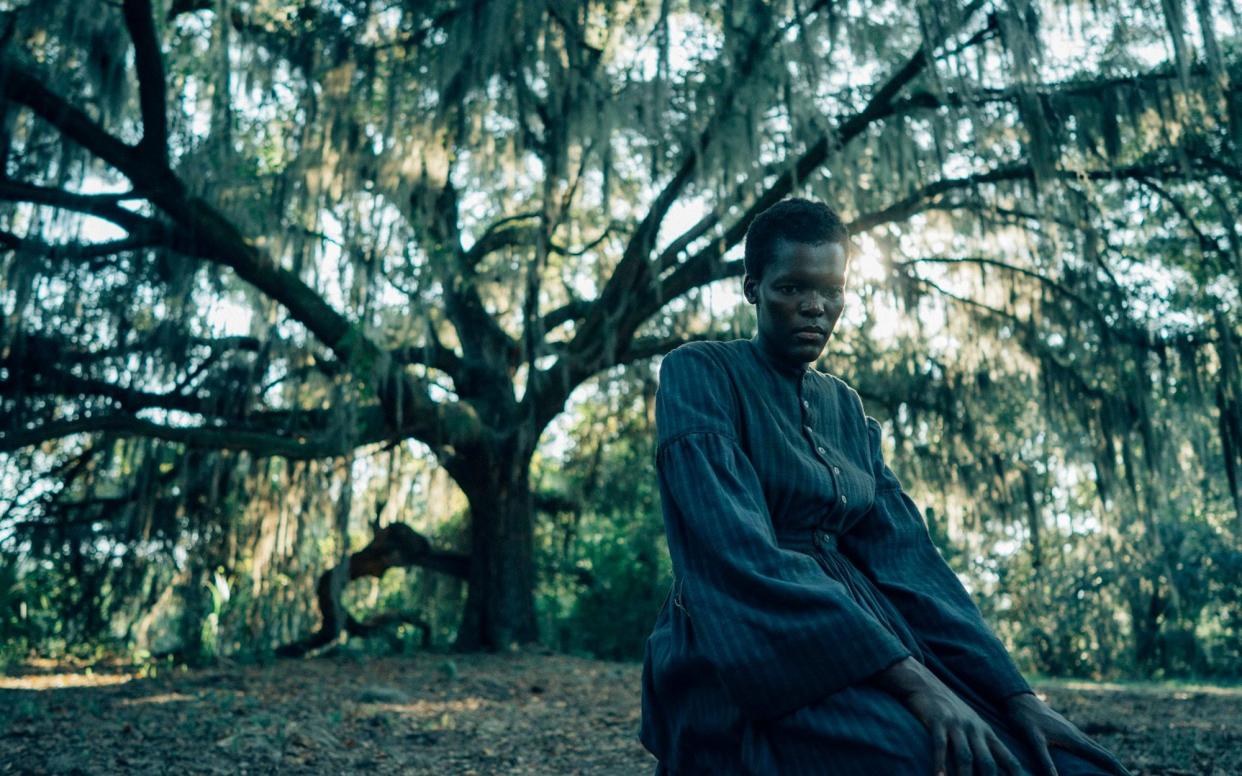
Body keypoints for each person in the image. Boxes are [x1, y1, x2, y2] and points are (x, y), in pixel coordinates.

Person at [639, 198, 1130, 775]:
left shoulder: (846, 408)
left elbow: (911, 566)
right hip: (750, 640)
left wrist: (1014, 696)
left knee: (1065, 766)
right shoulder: (700, 372)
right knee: (930, 760)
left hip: (878, 638)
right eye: (792, 288)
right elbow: (736, 553)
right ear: (752, 288)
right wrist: (915, 684)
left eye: (832, 292)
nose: (815, 308)